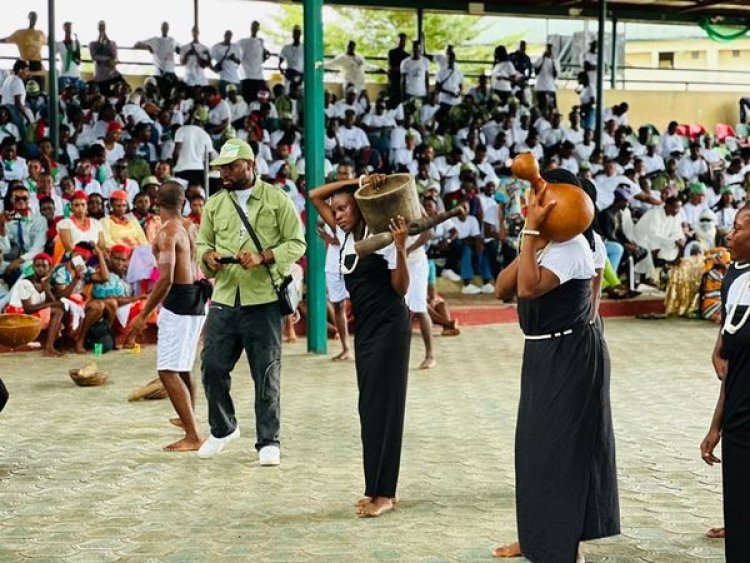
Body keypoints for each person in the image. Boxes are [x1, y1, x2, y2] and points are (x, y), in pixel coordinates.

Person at [494, 169, 619, 561]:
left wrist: (532, 233)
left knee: (561, 452)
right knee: (535, 451)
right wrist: (531, 239)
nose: (532, 200)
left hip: (568, 356)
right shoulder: (546, 243)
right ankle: (537, 538)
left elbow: (528, 288)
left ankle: (565, 546)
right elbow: (502, 289)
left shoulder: (573, 247)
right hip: (544, 353)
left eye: (541, 194)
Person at [196, 139, 306, 464]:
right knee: (211, 366)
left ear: (250, 163)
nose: (224, 173)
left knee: (266, 371)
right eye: (221, 168)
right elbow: (202, 243)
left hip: (264, 299)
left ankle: (268, 441)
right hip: (225, 297)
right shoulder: (214, 204)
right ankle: (223, 429)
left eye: (231, 167)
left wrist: (263, 256)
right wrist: (208, 256)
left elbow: (297, 243)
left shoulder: (276, 199)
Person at [310, 174, 410, 518]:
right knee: (369, 407)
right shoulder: (344, 236)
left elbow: (400, 288)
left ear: (360, 207)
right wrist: (360, 180)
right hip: (366, 330)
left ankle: (385, 494)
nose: (336, 214)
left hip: (391, 327)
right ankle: (375, 488)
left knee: (385, 407)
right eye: (335, 210)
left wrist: (399, 246)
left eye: (344, 208)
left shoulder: (380, 235)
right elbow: (313, 196)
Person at [127, 182, 208, 452]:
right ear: (183, 201)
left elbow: (166, 279)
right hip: (196, 297)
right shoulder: (189, 226)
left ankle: (193, 435)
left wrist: (143, 315)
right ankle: (190, 421)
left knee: (167, 370)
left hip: (180, 300)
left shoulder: (167, 232)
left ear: (156, 200)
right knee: (182, 365)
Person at [700, 203, 750, 561]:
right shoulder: (734, 274)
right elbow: (729, 353)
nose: (729, 234)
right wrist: (716, 425)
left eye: (738, 228)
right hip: (739, 413)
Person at [3, 252, 65, 356]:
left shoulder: (45, 283)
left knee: (59, 310)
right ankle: (49, 348)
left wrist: (47, 289)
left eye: (44, 266)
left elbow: (52, 303)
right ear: (33, 267)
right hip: (18, 317)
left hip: (29, 315)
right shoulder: (25, 283)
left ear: (50, 268)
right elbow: (28, 308)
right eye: (37, 266)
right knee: (58, 311)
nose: (40, 269)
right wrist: (53, 303)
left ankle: (51, 346)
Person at [134, 22, 178, 99]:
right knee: (152, 88)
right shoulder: (155, 40)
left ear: (168, 29)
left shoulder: (172, 41)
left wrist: (178, 50)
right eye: (163, 27)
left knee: (176, 91)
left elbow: (181, 49)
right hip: (159, 74)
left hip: (171, 74)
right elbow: (136, 44)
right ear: (161, 29)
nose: (165, 29)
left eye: (166, 27)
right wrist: (147, 46)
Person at [0, 12, 46, 84]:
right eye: (32, 17)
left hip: (36, 64)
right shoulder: (20, 33)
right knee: (17, 75)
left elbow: (50, 43)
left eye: (35, 17)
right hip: (23, 62)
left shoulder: (40, 33)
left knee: (40, 81)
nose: (33, 19)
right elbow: (6, 40)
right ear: (28, 18)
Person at [238, 21, 271, 103]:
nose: (255, 29)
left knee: (261, 101)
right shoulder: (243, 42)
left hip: (259, 77)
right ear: (250, 28)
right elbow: (238, 56)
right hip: (247, 76)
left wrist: (266, 56)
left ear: (258, 29)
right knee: (248, 101)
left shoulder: (261, 42)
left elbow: (262, 58)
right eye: (253, 26)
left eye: (256, 27)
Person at [89, 21, 122, 95]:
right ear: (98, 28)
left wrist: (107, 41)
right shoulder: (93, 44)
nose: (102, 29)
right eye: (101, 27)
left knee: (124, 87)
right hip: (101, 77)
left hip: (112, 74)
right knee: (104, 94)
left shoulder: (112, 43)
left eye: (103, 27)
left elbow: (114, 56)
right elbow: (94, 57)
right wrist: (108, 59)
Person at [56, 22, 82, 91]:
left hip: (75, 74)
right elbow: (52, 54)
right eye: (67, 28)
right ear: (63, 29)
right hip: (64, 74)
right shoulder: (59, 44)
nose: (68, 30)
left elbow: (79, 61)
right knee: (63, 94)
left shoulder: (75, 43)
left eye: (70, 28)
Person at [279, 25, 304, 91]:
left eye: (298, 32)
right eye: (295, 32)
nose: (296, 35)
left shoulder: (304, 48)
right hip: (289, 74)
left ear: (300, 34)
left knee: (298, 92)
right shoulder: (286, 48)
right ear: (292, 34)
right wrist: (280, 68)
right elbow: (281, 59)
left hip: (300, 75)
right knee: (287, 92)